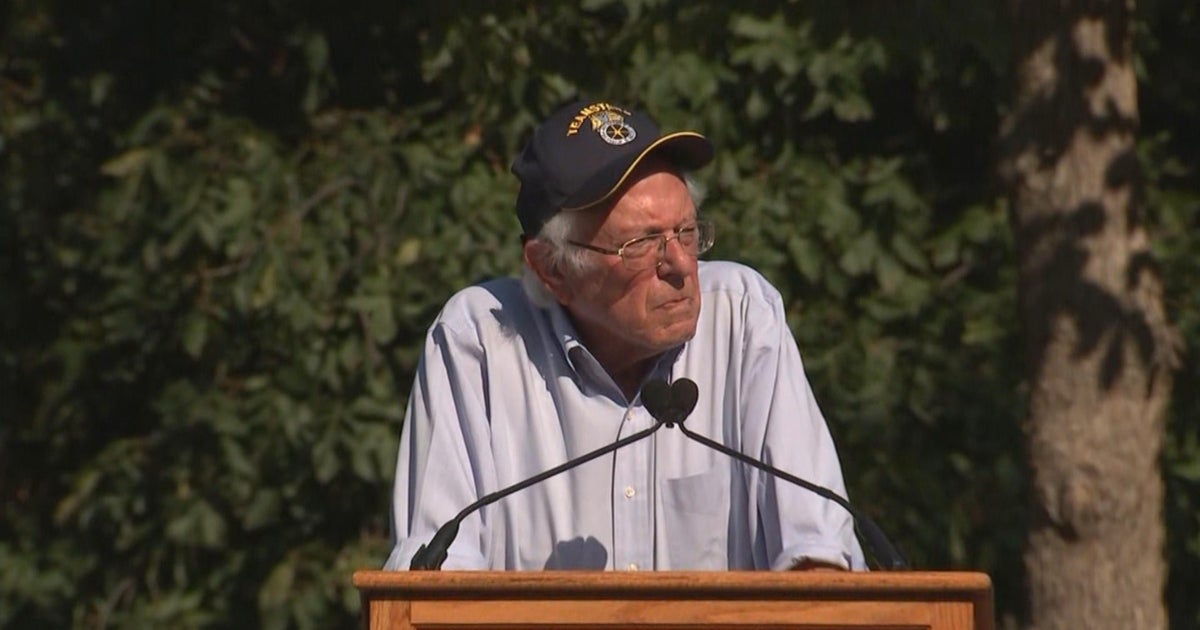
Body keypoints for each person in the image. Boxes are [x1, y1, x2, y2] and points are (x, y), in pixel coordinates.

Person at [384, 99, 866, 571]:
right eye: (641, 245)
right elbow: (433, 586)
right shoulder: (479, 340)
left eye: (687, 232)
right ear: (553, 270)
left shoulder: (742, 316)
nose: (680, 265)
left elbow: (818, 556)